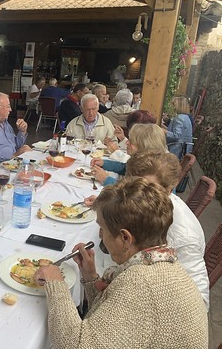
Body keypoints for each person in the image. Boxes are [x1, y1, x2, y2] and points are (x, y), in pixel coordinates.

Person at [34, 177, 208, 348]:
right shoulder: (161, 264)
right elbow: (112, 323)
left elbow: (74, 345)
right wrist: (90, 277)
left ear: (125, 238)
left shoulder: (141, 283)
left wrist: (55, 284)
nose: (100, 236)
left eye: (102, 229)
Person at [125, 150, 210, 309]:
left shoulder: (182, 237)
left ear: (170, 189)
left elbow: (200, 303)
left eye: (148, 189)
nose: (136, 195)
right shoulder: (150, 206)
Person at [91, 123, 167, 185]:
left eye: (131, 141)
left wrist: (106, 179)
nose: (126, 142)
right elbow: (125, 167)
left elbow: (133, 195)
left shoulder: (154, 172)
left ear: (144, 146)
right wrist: (104, 163)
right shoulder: (143, 161)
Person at [0, 91, 30, 163]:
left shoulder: (5, 123)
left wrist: (22, 131)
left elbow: (16, 146)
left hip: (13, 162)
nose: (10, 109)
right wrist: (14, 155)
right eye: (8, 106)